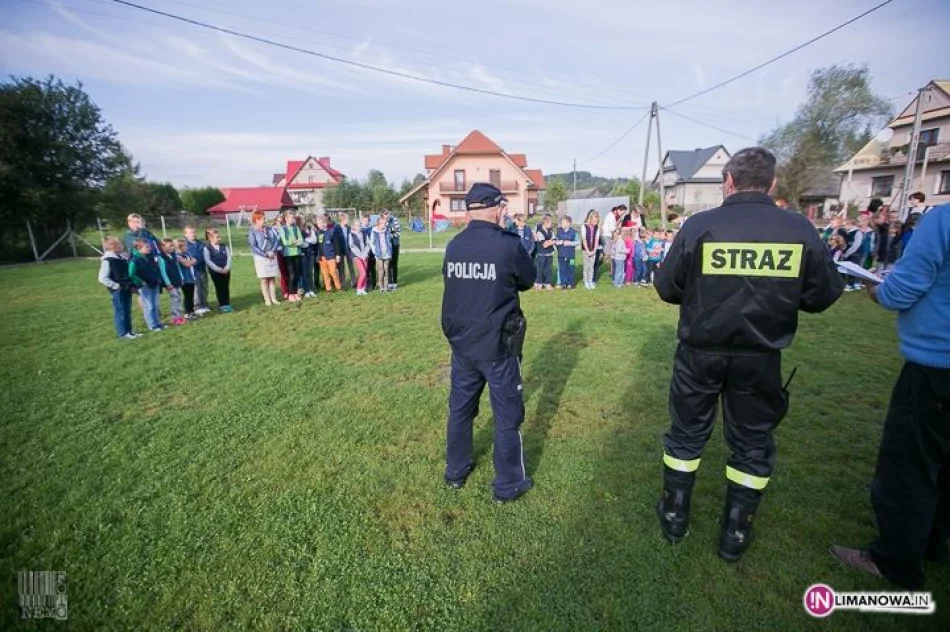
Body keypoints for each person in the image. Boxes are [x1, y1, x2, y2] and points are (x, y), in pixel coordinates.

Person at [654, 147, 844, 561]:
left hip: (700, 352)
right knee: (752, 442)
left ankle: (674, 515)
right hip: (760, 356)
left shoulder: (700, 226)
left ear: (728, 181)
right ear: (772, 183)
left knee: (687, 432)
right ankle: (735, 534)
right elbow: (823, 294)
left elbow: (667, 287)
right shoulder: (798, 228)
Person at [830, 203, 950, 589]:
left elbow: (900, 291)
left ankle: (895, 561)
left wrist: (874, 286)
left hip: (937, 365)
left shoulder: (943, 219)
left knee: (909, 468)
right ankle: (932, 543)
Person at [441, 182, 536, 502]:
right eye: (503, 207)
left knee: (460, 411)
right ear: (496, 208)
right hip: (498, 346)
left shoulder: (454, 245)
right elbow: (528, 279)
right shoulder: (507, 245)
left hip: (463, 345)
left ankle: (455, 472)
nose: (505, 212)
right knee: (508, 416)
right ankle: (508, 484)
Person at [98, 237, 139, 339]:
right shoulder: (108, 260)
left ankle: (129, 331)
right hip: (118, 290)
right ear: (112, 247)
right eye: (119, 245)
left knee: (127, 310)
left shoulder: (121, 258)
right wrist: (116, 286)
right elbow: (102, 278)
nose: (122, 246)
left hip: (127, 287)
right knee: (120, 311)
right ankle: (123, 333)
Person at [128, 238, 164, 332]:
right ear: (139, 247)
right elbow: (131, 274)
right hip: (145, 286)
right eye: (147, 247)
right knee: (149, 306)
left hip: (154, 283)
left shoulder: (150, 257)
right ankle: (152, 325)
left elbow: (155, 269)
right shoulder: (134, 260)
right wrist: (140, 281)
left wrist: (158, 278)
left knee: (155, 305)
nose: (149, 248)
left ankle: (158, 323)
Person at [249, 210, 282, 306]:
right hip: (261, 257)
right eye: (263, 218)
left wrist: (273, 251)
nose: (265, 220)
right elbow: (253, 246)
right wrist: (265, 254)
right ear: (257, 220)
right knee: (264, 279)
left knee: (272, 278)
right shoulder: (252, 231)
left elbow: (276, 240)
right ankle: (267, 299)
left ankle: (274, 298)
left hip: (272, 255)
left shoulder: (269, 229)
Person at [203, 229, 233, 312]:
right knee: (219, 287)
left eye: (219, 237)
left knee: (225, 287)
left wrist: (227, 268)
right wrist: (219, 270)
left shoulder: (224, 246)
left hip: (226, 270)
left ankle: (227, 304)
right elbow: (208, 261)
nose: (219, 238)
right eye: (217, 237)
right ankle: (222, 305)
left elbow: (229, 258)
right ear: (211, 239)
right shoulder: (207, 248)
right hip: (215, 272)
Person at [158, 238, 186, 326]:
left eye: (173, 246)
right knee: (174, 298)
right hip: (170, 283)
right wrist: (168, 283)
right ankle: (175, 318)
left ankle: (180, 316)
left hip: (177, 280)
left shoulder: (173, 255)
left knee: (179, 297)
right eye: (170, 246)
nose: (172, 248)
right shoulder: (161, 257)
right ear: (162, 247)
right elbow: (163, 272)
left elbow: (177, 267)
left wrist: (181, 277)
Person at [184, 226, 211, 316]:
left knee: (204, 287)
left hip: (202, 268)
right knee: (197, 289)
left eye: (194, 232)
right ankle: (197, 306)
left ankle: (205, 304)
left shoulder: (200, 243)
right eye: (191, 232)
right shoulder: (185, 245)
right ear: (186, 234)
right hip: (193, 271)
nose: (193, 234)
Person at [278, 212, 304, 303]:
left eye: (293, 218)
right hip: (288, 254)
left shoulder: (296, 228)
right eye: (290, 218)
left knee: (296, 274)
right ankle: (290, 293)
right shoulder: (282, 229)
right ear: (286, 218)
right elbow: (285, 242)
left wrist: (298, 242)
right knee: (291, 274)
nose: (292, 220)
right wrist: (294, 242)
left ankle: (295, 292)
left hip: (297, 253)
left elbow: (301, 240)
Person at [317, 214, 344, 293]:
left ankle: (339, 287)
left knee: (333, 272)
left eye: (321, 223)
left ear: (325, 223)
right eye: (318, 224)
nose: (319, 225)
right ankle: (328, 289)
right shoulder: (318, 233)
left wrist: (338, 255)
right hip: (322, 258)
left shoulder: (332, 231)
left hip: (331, 256)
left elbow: (336, 244)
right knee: (325, 274)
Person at [175, 239, 198, 319]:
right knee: (187, 296)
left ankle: (192, 311)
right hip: (185, 279)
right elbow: (187, 264)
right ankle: (187, 312)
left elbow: (195, 260)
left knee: (191, 295)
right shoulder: (177, 255)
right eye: (185, 245)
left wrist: (191, 261)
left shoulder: (187, 254)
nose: (187, 247)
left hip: (191, 278)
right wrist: (190, 261)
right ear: (180, 247)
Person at [347, 220, 371, 296]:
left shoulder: (364, 233)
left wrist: (365, 254)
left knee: (365, 273)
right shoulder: (351, 234)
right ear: (354, 226)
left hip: (365, 256)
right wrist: (360, 255)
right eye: (357, 225)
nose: (359, 227)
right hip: (356, 256)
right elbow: (352, 246)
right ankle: (358, 288)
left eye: (360, 225)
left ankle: (363, 289)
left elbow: (368, 244)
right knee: (362, 273)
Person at [371, 215, 393, 293]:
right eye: (383, 223)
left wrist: (390, 251)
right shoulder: (374, 231)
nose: (385, 224)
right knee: (381, 271)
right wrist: (375, 253)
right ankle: (381, 287)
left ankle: (386, 287)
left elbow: (389, 242)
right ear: (379, 224)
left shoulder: (387, 230)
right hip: (379, 255)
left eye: (385, 223)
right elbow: (372, 243)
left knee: (386, 270)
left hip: (387, 254)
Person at [556, 215, 578, 290]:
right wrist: (559, 242)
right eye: (561, 222)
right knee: (562, 269)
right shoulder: (559, 231)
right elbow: (555, 241)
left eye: (563, 222)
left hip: (571, 255)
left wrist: (570, 243)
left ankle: (571, 283)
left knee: (571, 268)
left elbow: (578, 242)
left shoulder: (573, 232)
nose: (562, 224)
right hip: (561, 255)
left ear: (569, 223)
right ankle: (563, 284)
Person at [534, 214, 556, 290]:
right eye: (550, 223)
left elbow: (554, 240)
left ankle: (547, 283)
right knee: (540, 269)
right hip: (541, 255)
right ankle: (539, 283)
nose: (551, 224)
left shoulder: (551, 231)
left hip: (549, 254)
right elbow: (544, 245)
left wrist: (550, 241)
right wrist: (551, 241)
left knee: (548, 270)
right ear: (545, 223)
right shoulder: (539, 232)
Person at [581, 210, 600, 290]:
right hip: (586, 249)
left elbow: (596, 239)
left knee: (592, 266)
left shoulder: (597, 228)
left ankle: (590, 281)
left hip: (593, 249)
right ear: (590, 219)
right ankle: (586, 281)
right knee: (586, 266)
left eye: (597, 221)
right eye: (594, 221)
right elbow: (584, 239)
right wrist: (588, 250)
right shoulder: (584, 226)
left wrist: (594, 250)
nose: (596, 223)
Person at [337, 212, 357, 290]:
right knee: (341, 268)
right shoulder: (337, 228)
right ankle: (343, 284)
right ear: (342, 219)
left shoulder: (348, 228)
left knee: (351, 266)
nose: (348, 221)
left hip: (348, 249)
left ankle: (354, 282)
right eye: (347, 219)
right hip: (340, 250)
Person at [382, 209, 401, 289]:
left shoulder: (394, 219)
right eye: (385, 214)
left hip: (395, 244)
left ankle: (395, 282)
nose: (386, 215)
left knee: (394, 264)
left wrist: (389, 230)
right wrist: (390, 230)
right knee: (387, 264)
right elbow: (382, 230)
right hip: (386, 246)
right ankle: (389, 282)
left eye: (387, 214)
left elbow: (397, 232)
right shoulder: (382, 221)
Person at [601, 205, 619, 278]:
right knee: (607, 255)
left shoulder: (610, 216)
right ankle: (611, 270)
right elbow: (612, 229)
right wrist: (618, 226)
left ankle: (612, 271)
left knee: (608, 255)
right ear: (615, 211)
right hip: (607, 236)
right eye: (618, 211)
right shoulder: (611, 216)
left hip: (607, 236)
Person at [361, 216, 376, 291]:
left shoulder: (372, 229)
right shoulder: (360, 229)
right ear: (362, 220)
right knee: (365, 269)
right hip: (363, 253)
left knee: (372, 268)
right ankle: (366, 284)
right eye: (364, 220)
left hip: (371, 253)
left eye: (367, 220)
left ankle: (373, 284)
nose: (365, 222)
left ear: (369, 221)